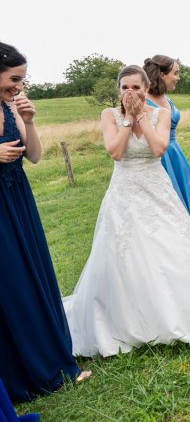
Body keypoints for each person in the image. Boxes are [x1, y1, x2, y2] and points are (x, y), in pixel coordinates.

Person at [62, 66, 190, 357]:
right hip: (124, 189)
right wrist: (127, 118)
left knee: (170, 242)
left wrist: (141, 115)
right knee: (124, 250)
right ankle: (127, 318)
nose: (130, 93)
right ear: (119, 91)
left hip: (156, 187)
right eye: (124, 88)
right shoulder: (109, 115)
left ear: (145, 88)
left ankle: (180, 307)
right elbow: (115, 152)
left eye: (136, 88)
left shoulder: (160, 114)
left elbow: (158, 149)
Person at [0, 43, 80, 401]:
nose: (19, 87)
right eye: (14, 79)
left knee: (33, 277)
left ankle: (49, 364)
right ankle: (16, 375)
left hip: (19, 202)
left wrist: (29, 122)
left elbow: (33, 156)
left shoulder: (11, 106)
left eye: (22, 80)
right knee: (10, 285)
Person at [144, 55, 190, 238]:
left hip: (177, 157)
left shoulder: (167, 99)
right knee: (171, 217)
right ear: (162, 75)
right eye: (176, 73)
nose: (178, 77)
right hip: (158, 160)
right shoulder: (143, 101)